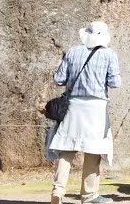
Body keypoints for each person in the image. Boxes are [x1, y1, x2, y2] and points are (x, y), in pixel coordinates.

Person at [47, 21, 121, 204]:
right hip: (96, 108)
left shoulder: (73, 52)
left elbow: (59, 79)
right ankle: (89, 195)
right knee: (94, 151)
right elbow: (115, 83)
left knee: (66, 148)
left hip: (74, 105)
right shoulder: (109, 54)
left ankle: (58, 190)